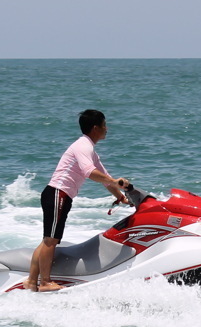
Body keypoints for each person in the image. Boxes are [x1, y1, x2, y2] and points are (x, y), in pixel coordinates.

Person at [24, 109, 129, 292]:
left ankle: (31, 281)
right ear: (96, 128)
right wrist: (115, 182)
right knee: (51, 240)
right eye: (105, 125)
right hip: (58, 193)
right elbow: (90, 173)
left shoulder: (90, 150)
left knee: (48, 240)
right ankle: (45, 282)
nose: (107, 128)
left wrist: (119, 196)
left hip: (58, 194)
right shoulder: (83, 146)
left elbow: (104, 177)